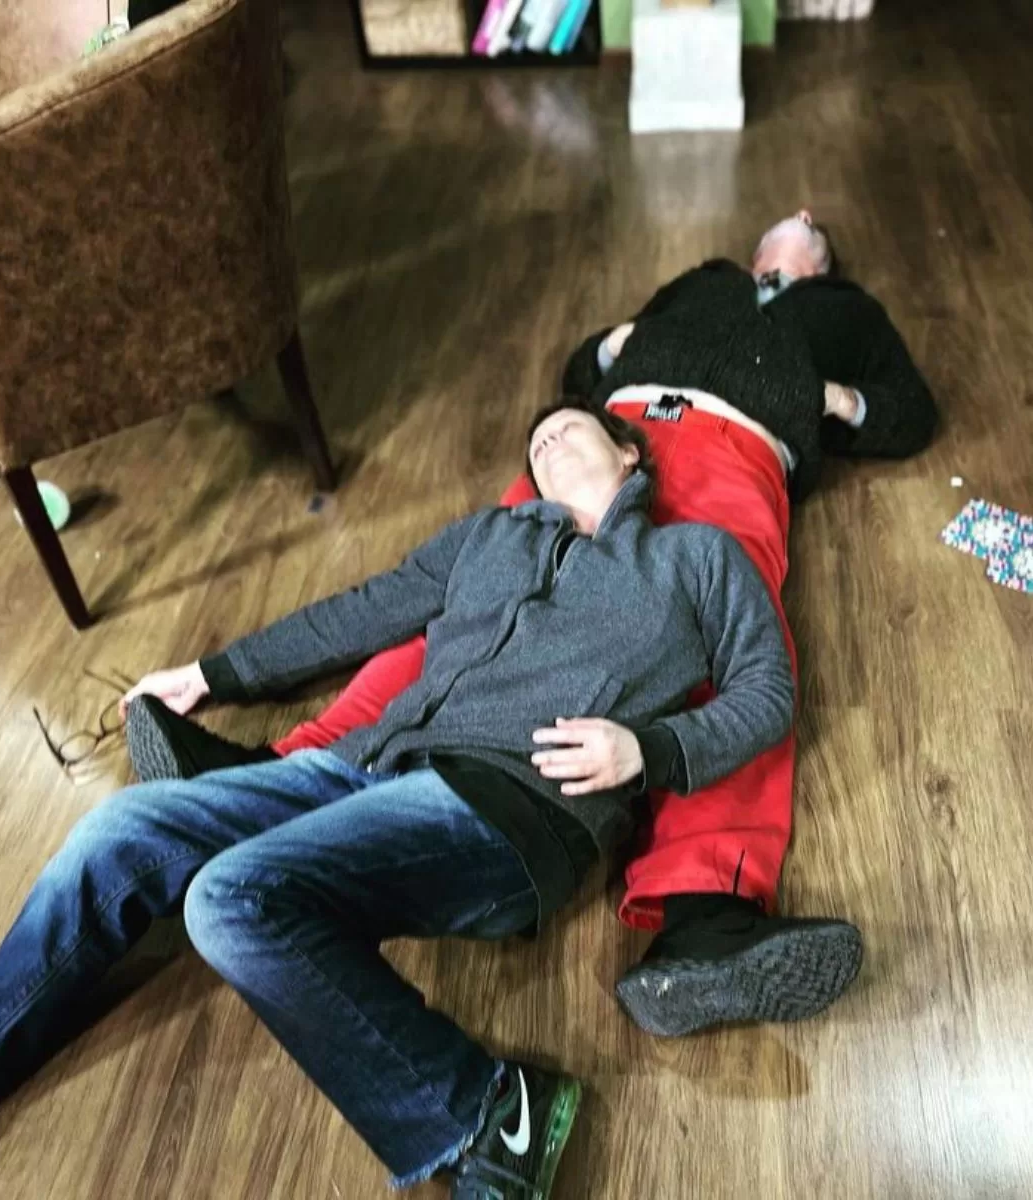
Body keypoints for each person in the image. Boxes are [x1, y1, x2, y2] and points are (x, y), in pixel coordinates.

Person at [0, 405, 795, 1198]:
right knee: (120, 828)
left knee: (229, 899)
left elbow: (767, 690)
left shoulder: (695, 558)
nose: (547, 442)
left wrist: (649, 751)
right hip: (363, 767)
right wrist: (211, 674)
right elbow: (367, 610)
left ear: (629, 452)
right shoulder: (489, 536)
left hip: (509, 801)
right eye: (535, 443)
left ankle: (488, 1111)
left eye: (569, 428)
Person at [123, 210, 934, 1040]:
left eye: (812, 224)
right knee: (470, 614)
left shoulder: (845, 313)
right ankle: (276, 775)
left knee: (736, 650)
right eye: (786, 221)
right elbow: (580, 370)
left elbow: (911, 415)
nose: (799, 217)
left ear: (822, 257)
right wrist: (616, 344)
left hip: (738, 451)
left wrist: (836, 398)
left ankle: (706, 914)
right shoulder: (703, 281)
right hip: (598, 446)